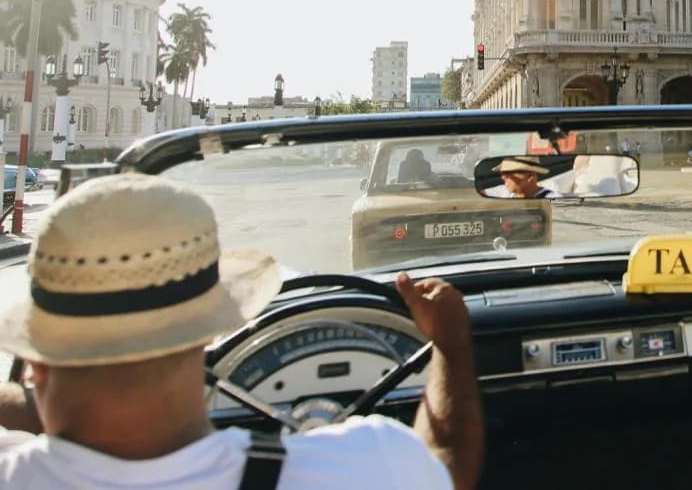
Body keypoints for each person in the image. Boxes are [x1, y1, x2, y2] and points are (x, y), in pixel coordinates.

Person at [0, 173, 484, 489]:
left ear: (38, 362)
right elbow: (445, 459)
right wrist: (449, 344)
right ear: (206, 337)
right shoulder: (369, 467)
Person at [486, 157, 557, 199]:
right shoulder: (504, 192)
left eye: (509, 173)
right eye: (503, 173)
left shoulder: (553, 198)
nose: (503, 177)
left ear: (530, 176)